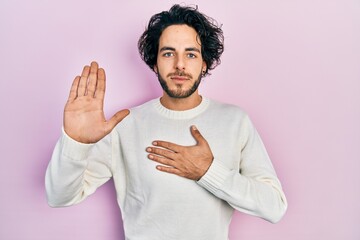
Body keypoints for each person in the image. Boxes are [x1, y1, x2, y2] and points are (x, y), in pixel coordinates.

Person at [45, 4, 287, 240]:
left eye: (190, 54)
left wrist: (207, 171)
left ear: (204, 64)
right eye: (168, 53)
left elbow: (274, 207)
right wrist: (75, 143)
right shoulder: (125, 126)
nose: (179, 64)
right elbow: (59, 197)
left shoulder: (235, 121)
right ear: (155, 63)